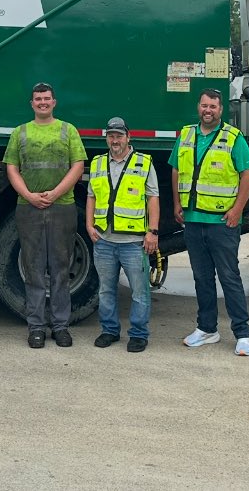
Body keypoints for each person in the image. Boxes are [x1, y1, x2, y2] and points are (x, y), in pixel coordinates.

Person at [170, 88, 249, 356]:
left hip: (222, 223)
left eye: (213, 107)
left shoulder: (233, 137)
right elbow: (176, 169)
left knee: (229, 277)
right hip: (193, 221)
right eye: (204, 105)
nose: (208, 110)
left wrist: (237, 209)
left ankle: (243, 334)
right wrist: (177, 203)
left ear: (220, 110)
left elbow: (248, 173)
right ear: (199, 107)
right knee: (202, 277)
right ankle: (207, 329)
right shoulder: (186, 135)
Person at [4, 82, 87, 349]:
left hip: (62, 207)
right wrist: (29, 195)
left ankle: (61, 327)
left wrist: (55, 193)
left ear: (54, 102)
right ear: (32, 104)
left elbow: (78, 166)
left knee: (61, 269)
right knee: (33, 270)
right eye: (38, 99)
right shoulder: (20, 132)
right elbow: (12, 168)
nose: (42, 102)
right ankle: (36, 327)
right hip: (28, 208)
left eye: (46, 98)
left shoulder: (68, 130)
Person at [86, 117, 159, 353]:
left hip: (133, 242)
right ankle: (109, 330)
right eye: (111, 136)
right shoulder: (97, 163)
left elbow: (153, 199)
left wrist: (153, 232)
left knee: (140, 291)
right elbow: (91, 196)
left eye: (119, 136)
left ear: (128, 137)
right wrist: (89, 225)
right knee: (106, 290)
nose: (115, 140)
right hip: (104, 240)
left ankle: (138, 334)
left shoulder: (144, 163)